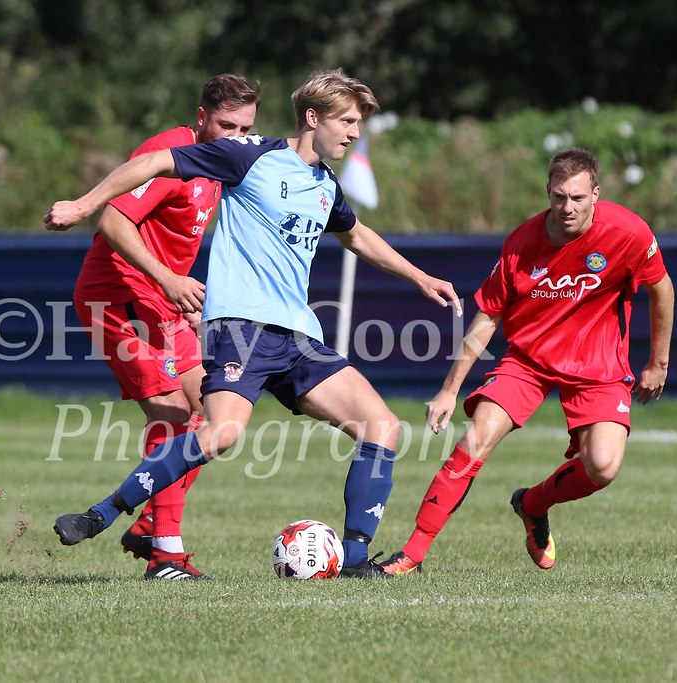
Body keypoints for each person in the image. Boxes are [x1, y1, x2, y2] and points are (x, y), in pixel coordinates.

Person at [45, 68, 461, 578]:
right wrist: (86, 204)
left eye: (359, 123)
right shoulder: (249, 154)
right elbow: (154, 162)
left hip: (299, 336)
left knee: (382, 429)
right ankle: (103, 514)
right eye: (347, 121)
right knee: (220, 434)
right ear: (313, 118)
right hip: (241, 329)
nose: (354, 132)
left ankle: (353, 563)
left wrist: (420, 277)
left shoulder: (324, 184)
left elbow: (356, 235)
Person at [376, 148, 674, 575]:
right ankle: (412, 554)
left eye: (577, 197)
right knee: (474, 441)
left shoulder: (628, 232)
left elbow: (662, 289)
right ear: (547, 193)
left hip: (598, 365)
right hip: (529, 361)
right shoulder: (521, 244)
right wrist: (449, 389)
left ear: (596, 194)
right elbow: (488, 317)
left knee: (603, 466)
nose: (567, 207)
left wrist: (658, 363)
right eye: (558, 197)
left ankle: (532, 504)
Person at [73, 74, 260, 580]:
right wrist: (169, 279)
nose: (235, 137)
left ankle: (149, 523)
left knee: (216, 419)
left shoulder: (225, 163)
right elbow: (112, 222)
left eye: (245, 128)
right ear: (201, 117)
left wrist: (188, 295)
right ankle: (165, 556)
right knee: (175, 416)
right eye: (226, 125)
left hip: (163, 304)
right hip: (118, 301)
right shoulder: (171, 152)